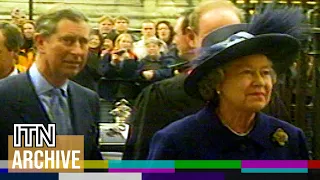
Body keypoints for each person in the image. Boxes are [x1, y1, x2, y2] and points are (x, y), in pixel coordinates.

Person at [147, 7, 309, 160]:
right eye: (247, 72)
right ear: (217, 82)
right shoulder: (178, 141)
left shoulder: (289, 140)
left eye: (265, 73)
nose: (260, 82)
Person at [123, 0, 245, 160]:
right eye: (213, 37)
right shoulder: (160, 98)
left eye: (233, 36)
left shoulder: (259, 94)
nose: (225, 45)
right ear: (191, 37)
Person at [0, 9, 103, 161]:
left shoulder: (88, 99)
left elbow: (89, 165)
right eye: (68, 41)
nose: (77, 51)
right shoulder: (4, 96)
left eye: (83, 42)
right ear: (40, 42)